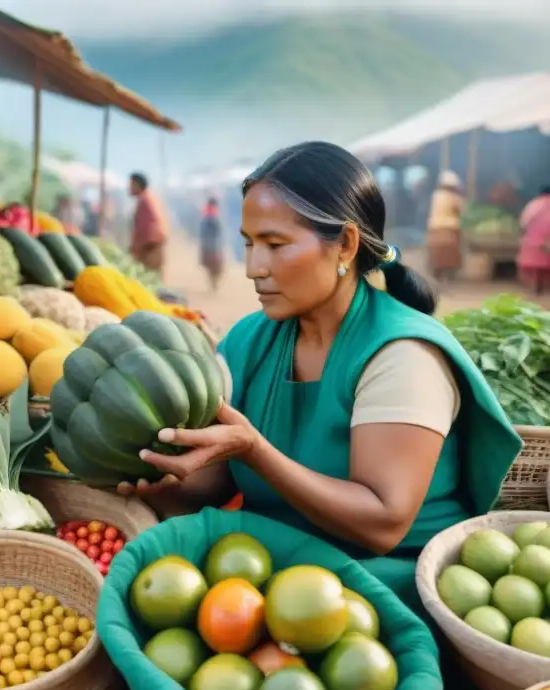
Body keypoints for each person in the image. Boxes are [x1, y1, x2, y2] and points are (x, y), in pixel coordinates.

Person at [119, 141, 521, 613]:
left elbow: (383, 523)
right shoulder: (249, 340)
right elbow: (220, 482)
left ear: (346, 245)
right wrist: (159, 477)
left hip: (386, 591)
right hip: (267, 575)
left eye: (275, 244)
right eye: (248, 243)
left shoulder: (402, 354)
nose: (253, 268)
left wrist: (256, 450)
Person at [426, 171, 465, 281]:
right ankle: (448, 274)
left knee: (437, 251)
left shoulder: (436, 196)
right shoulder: (454, 197)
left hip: (435, 226)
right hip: (450, 227)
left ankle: (437, 273)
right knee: (450, 253)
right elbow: (460, 210)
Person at [129, 172, 169, 272]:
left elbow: (146, 227)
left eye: (131, 185)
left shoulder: (145, 200)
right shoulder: (149, 198)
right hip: (153, 245)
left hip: (150, 246)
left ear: (137, 185)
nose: (129, 188)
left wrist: (137, 247)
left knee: (150, 278)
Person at [199, 197, 226, 292]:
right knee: (215, 267)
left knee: (212, 267)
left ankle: (213, 283)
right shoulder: (213, 216)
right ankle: (213, 283)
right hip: (214, 246)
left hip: (209, 246)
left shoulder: (206, 215)